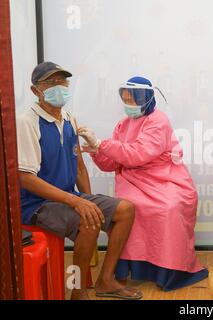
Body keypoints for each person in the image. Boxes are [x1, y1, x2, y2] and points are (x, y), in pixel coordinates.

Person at [17, 61, 143, 300]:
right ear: (36, 90)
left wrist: (86, 199)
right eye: (51, 83)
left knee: (125, 209)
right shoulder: (28, 122)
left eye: (62, 82)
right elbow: (26, 179)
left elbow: (79, 167)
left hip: (68, 197)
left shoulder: (68, 118)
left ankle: (105, 280)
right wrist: (78, 204)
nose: (59, 87)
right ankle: (78, 290)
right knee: (89, 221)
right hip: (36, 204)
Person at [78, 76, 208, 291]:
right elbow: (112, 162)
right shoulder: (123, 124)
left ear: (146, 98)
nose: (129, 105)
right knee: (129, 208)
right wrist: (96, 151)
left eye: (133, 100)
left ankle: (170, 271)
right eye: (126, 100)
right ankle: (127, 269)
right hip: (132, 180)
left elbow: (138, 154)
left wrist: (102, 143)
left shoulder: (159, 121)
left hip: (166, 178)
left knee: (168, 209)